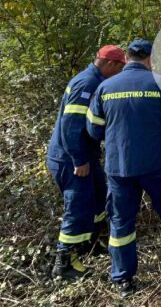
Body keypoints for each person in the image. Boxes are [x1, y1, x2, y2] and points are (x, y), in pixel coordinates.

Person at [86, 39, 161, 297]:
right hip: (155, 166)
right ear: (149, 59)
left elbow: (93, 129)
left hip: (119, 168)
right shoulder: (160, 85)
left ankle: (123, 279)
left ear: (128, 58)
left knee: (121, 223)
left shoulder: (105, 87)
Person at [47, 45, 126, 280]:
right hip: (70, 159)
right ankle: (64, 262)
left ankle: (90, 244)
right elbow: (70, 126)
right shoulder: (87, 84)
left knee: (98, 198)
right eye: (120, 68)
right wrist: (79, 159)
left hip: (84, 156)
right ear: (110, 64)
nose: (121, 74)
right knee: (78, 206)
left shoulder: (93, 80)